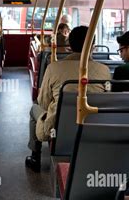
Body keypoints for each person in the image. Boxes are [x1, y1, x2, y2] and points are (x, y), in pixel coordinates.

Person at [25, 26, 111, 172]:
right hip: (94, 127)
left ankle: (35, 156)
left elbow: (44, 102)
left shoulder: (54, 68)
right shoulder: (104, 70)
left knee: (34, 108)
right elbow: (107, 100)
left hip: (57, 127)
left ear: (70, 45)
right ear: (93, 46)